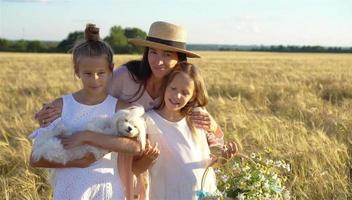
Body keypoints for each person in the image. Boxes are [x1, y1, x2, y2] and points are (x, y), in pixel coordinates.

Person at [34, 21, 227, 199]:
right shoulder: (126, 77)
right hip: (116, 165)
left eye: (167, 55)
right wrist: (56, 109)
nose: (158, 61)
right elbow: (92, 95)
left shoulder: (180, 90)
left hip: (160, 171)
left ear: (180, 59)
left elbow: (210, 139)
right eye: (153, 52)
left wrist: (213, 125)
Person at [29, 24, 141, 200]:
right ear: (77, 71)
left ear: (111, 69)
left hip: (106, 190)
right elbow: (35, 159)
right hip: (69, 190)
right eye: (87, 73)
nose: (95, 79)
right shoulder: (61, 106)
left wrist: (88, 137)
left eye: (101, 73)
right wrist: (79, 162)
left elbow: (136, 146)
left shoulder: (120, 107)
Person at [132, 62, 238, 199]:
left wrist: (224, 158)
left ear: (193, 96)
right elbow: (135, 169)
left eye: (185, 92)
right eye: (173, 88)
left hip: (206, 193)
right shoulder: (148, 121)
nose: (177, 96)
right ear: (165, 87)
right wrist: (147, 159)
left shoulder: (197, 117)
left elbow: (210, 163)